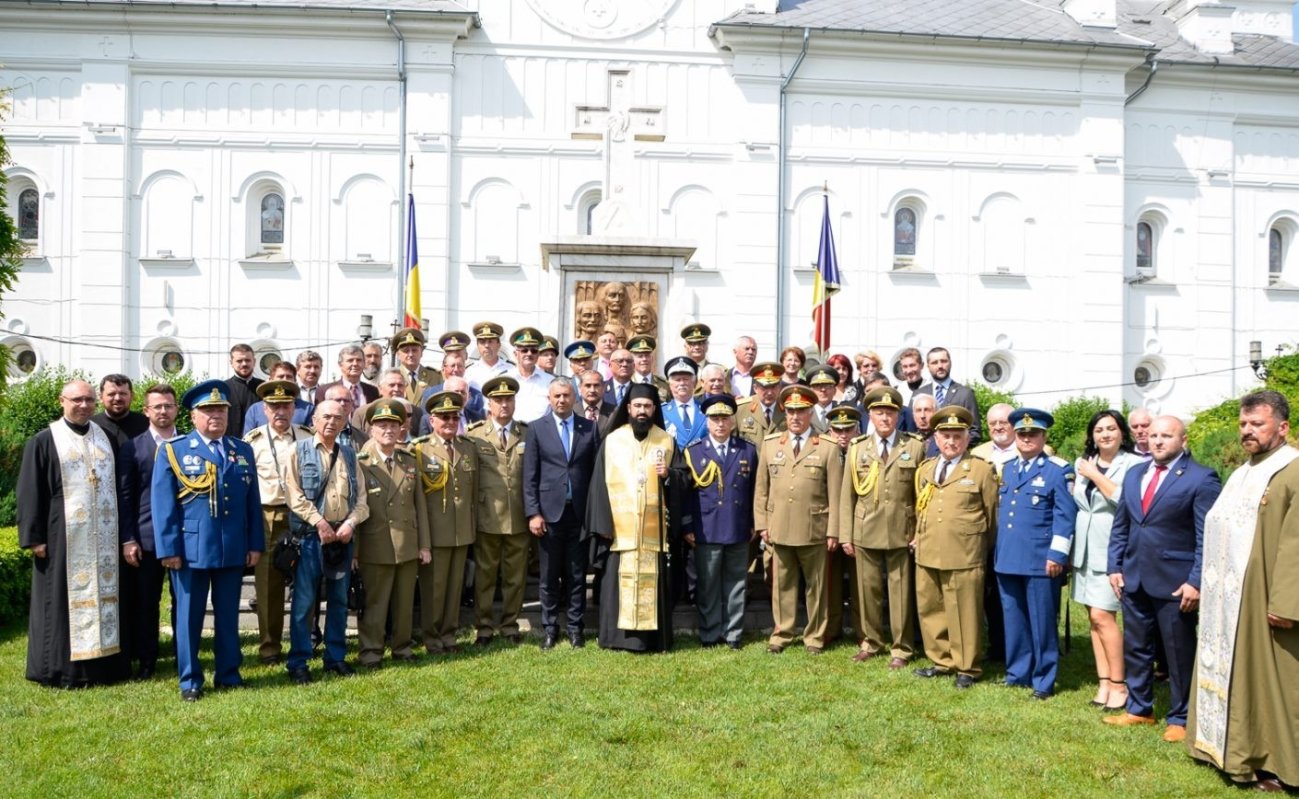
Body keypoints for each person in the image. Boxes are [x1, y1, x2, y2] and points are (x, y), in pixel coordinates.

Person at [1188, 390, 1299, 792]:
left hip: (1267, 599)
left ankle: (1275, 763)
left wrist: (1287, 602)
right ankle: (1229, 748)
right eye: (1243, 424)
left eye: (1257, 424)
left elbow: (1296, 544)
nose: (1247, 431)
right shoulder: (1244, 472)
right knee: (1239, 676)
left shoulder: (1292, 471)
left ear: (1282, 427)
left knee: (1274, 684)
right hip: (1229, 601)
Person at [1105, 415, 1222, 741]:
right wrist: (1115, 566)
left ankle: (1181, 717)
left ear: (1183, 440)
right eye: (1153, 435)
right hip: (1134, 578)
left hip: (1176, 582)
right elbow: (1122, 525)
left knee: (1178, 653)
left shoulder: (1201, 479)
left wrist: (1196, 581)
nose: (1157, 441)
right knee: (1137, 647)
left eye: (1166, 436)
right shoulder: (1134, 474)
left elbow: (1206, 537)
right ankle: (1139, 709)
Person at [152, 380, 264, 700]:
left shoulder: (241, 450)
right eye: (208, 410)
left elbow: (251, 503)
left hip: (232, 548)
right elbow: (163, 506)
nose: (215, 415)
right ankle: (190, 680)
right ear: (193, 415)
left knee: (228, 617)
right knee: (189, 619)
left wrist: (254, 543)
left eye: (221, 410)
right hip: (190, 551)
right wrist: (169, 549)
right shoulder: (174, 450)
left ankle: (229, 674)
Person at [19, 379, 132, 688]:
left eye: (89, 400)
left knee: (106, 598)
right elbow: (30, 491)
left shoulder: (105, 437)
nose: (84, 406)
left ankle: (106, 667)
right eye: (77, 400)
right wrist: (34, 536)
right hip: (61, 535)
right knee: (60, 601)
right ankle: (61, 669)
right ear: (62, 401)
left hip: (104, 536)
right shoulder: (44, 440)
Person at [586, 382, 690, 652]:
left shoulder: (666, 441)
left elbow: (684, 478)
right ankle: (615, 638)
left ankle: (653, 640)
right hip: (619, 533)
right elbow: (597, 486)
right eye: (637, 406)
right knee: (617, 584)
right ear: (628, 409)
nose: (642, 411)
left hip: (654, 534)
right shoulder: (612, 441)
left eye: (647, 406)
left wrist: (669, 475)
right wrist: (603, 524)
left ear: (654, 409)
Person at [912, 405, 999, 689]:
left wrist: (981, 550)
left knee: (964, 611)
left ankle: (967, 666)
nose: (951, 442)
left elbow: (992, 517)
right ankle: (942, 660)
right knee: (931, 608)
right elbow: (920, 507)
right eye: (945, 435)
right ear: (936, 438)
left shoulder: (980, 470)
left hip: (964, 553)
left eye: (957, 436)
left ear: (966, 438)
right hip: (928, 551)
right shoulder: (925, 469)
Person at [283, 399, 369, 682]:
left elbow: (362, 500)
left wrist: (349, 524)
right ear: (314, 421)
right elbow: (293, 495)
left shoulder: (350, 454)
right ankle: (299, 662)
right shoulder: (298, 450)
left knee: (339, 600)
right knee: (305, 602)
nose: (332, 422)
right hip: (310, 538)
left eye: (338, 417)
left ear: (345, 421)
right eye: (326, 417)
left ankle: (335, 657)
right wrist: (319, 522)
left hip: (342, 539)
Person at [839, 386, 924, 669]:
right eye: (878, 412)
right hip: (865, 529)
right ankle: (871, 642)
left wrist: (920, 532)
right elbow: (847, 495)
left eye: (890, 412)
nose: (884, 417)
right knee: (867, 591)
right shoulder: (857, 447)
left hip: (902, 530)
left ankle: (901, 648)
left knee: (900, 594)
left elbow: (922, 495)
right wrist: (845, 535)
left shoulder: (913, 446)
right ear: (870, 415)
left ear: (898, 415)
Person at [755, 384, 843, 654]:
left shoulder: (827, 447)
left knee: (817, 587)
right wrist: (762, 525)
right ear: (785, 412)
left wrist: (833, 531)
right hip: (779, 527)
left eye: (802, 411)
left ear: (810, 412)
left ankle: (815, 637)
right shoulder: (771, 445)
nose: (795, 417)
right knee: (782, 584)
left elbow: (836, 494)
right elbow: (761, 489)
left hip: (814, 528)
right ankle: (782, 633)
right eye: (791, 411)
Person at [994, 408, 1075, 699]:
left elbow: (1065, 517)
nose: (1027, 438)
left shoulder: (1058, 470)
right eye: (1022, 433)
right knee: (1014, 620)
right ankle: (1018, 673)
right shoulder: (1007, 468)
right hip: (1008, 557)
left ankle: (1044, 679)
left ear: (1043, 436)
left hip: (1041, 559)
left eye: (1034, 433)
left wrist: (1057, 555)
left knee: (1042, 622)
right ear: (1015, 435)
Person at [1071, 409, 1143, 710]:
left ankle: (1120, 685)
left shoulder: (1134, 464)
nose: (1105, 434)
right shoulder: (1085, 463)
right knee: (1093, 619)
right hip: (1086, 550)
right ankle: (1103, 684)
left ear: (1122, 433)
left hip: (1112, 549)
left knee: (1105, 617)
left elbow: (1124, 500)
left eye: (1111, 429)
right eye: (1099, 430)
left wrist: (1095, 476)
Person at [523, 377, 599, 649]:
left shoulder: (589, 428)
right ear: (549, 398)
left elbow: (595, 475)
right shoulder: (536, 429)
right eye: (556, 396)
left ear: (574, 398)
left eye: (566, 395)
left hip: (578, 515)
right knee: (549, 576)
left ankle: (576, 629)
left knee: (577, 576)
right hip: (548, 515)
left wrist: (593, 515)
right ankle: (549, 628)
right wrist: (533, 513)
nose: (562, 400)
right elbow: (530, 476)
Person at [354, 399, 429, 667]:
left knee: (404, 603)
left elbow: (419, 505)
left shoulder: (409, 460)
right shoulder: (361, 462)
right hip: (375, 545)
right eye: (382, 425)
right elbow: (357, 509)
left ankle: (402, 648)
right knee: (375, 603)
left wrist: (425, 545)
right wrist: (355, 551)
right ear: (372, 429)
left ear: (401, 430)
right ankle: (371, 651)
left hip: (407, 544)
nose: (388, 430)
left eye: (393, 425)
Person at [244, 378, 314, 665]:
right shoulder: (252, 441)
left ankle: (304, 643)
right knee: (269, 587)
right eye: (274, 406)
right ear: (264, 408)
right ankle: (270, 647)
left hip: (302, 516)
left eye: (285, 405)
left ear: (294, 407)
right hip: (268, 516)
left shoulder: (308, 437)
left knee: (306, 582)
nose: (280, 411)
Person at [682, 394, 756, 649]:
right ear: (707, 421)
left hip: (737, 525)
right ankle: (710, 632)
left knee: (736, 582)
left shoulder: (747, 450)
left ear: (733, 421)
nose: (720, 424)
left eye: (725, 418)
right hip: (706, 527)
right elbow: (687, 495)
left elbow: (755, 491)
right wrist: (688, 526)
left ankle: (733, 633)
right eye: (715, 419)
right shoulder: (694, 452)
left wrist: (754, 522)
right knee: (708, 583)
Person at [117, 383, 178, 680]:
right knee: (146, 603)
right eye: (157, 406)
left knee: (184, 601)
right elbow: (125, 497)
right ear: (147, 411)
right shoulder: (133, 447)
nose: (163, 411)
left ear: (177, 409)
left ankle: (184, 655)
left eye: (168, 405)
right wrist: (128, 538)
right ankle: (147, 659)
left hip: (184, 538)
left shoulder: (190, 443)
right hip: (147, 538)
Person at [413, 390, 479, 655]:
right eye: (444, 418)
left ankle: (449, 635)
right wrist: (423, 540)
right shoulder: (419, 449)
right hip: (435, 533)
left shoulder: (468, 447)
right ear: (432, 420)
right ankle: (431, 637)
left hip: (461, 531)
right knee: (434, 590)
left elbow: (473, 493)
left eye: (454, 417)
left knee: (455, 589)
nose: (450, 422)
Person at [466, 376, 530, 645]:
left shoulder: (527, 433)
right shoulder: (474, 434)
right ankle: (483, 627)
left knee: (515, 576)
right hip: (487, 515)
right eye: (498, 400)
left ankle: (510, 625)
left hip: (518, 515)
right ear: (489, 404)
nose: (504, 404)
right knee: (485, 576)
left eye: (508, 399)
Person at [912, 347, 981, 444]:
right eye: (935, 362)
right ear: (928, 366)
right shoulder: (918, 394)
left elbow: (975, 432)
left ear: (950, 363)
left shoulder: (965, 394)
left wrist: (952, 446)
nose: (940, 366)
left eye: (944, 361)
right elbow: (911, 428)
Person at [244, 360, 313, 430]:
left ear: (295, 381)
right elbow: (248, 438)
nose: (285, 380)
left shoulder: (307, 409)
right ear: (271, 380)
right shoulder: (255, 410)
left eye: (289, 377)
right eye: (281, 376)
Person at [734, 362, 785, 447]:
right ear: (755, 388)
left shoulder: (788, 410)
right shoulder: (740, 409)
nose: (769, 393)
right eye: (764, 387)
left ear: (779, 387)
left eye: (773, 386)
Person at [507, 327, 553, 422]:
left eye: (534, 351)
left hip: (541, 433)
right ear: (516, 354)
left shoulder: (550, 381)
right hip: (513, 433)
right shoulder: (505, 379)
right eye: (524, 350)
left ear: (537, 355)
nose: (529, 354)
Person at [91, 374, 149, 448]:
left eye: (123, 394)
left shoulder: (146, 424)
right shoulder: (91, 426)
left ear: (132, 396)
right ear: (101, 397)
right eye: (111, 394)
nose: (118, 398)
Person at [661, 356, 706, 448]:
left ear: (694, 382)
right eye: (677, 380)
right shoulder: (661, 412)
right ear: (669, 384)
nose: (682, 383)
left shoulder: (706, 409)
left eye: (686, 379)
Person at [315, 344, 379, 407]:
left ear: (364, 363)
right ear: (340, 365)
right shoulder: (324, 390)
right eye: (350, 360)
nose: (355, 364)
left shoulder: (373, 391)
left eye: (359, 360)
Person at [225, 343, 264, 438]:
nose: (244, 364)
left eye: (247, 360)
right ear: (231, 363)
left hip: (260, 442)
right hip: (231, 444)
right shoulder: (223, 388)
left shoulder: (264, 387)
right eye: (239, 361)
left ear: (254, 361)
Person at [392, 327, 439, 406]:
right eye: (406, 351)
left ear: (421, 352)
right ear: (398, 354)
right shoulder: (392, 377)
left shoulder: (435, 377)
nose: (411, 354)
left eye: (414, 350)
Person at [970, 403, 1017, 474]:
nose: (998, 427)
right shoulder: (977, 453)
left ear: (1015, 424)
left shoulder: (1028, 451)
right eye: (992, 423)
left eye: (1003, 423)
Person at [465, 321, 509, 391]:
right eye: (482, 342)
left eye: (490, 341)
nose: (486, 345)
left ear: (499, 344)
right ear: (477, 345)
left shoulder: (511, 369)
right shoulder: (468, 371)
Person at [627, 334, 670, 400]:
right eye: (640, 356)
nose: (644, 359)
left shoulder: (664, 385)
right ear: (632, 360)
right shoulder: (627, 383)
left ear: (652, 358)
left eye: (647, 355)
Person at [577, 369, 615, 434]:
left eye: (596, 385)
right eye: (588, 386)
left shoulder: (614, 412)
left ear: (603, 387)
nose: (592, 390)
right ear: (580, 388)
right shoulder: (571, 412)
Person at [806, 365, 839, 433]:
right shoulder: (804, 413)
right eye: (818, 386)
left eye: (828, 386)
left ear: (834, 390)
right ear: (811, 390)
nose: (823, 389)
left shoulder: (841, 413)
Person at [911, 393, 939, 458]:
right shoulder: (907, 442)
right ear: (913, 415)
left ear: (936, 413)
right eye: (918, 410)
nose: (922, 416)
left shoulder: (944, 441)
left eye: (927, 410)